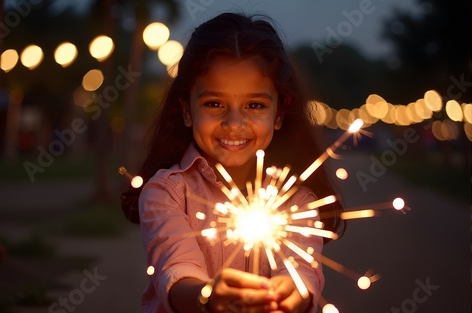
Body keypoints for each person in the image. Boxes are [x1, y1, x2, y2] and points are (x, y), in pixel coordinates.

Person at [121, 12, 344, 313]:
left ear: (279, 113)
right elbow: (175, 270)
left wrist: (293, 293)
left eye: (255, 105)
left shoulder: (299, 202)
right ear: (187, 109)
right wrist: (209, 297)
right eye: (215, 104)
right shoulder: (166, 193)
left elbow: (303, 273)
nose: (234, 123)